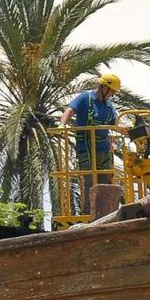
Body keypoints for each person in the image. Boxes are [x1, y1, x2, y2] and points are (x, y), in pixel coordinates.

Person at [61, 73, 121, 213]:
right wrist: (62, 125)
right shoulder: (85, 98)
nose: (111, 95)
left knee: (106, 180)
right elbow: (69, 110)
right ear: (103, 87)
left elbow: (116, 122)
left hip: (103, 150)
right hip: (87, 149)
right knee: (90, 182)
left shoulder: (109, 106)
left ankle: (108, 213)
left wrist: (126, 128)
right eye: (111, 92)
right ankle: (89, 215)